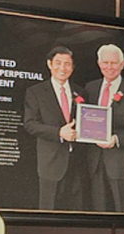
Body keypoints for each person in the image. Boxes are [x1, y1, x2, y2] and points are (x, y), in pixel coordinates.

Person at [24, 46, 86, 211]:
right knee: (48, 209)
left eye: (67, 64)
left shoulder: (80, 92)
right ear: (49, 64)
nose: (62, 68)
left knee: (75, 210)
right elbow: (30, 124)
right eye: (58, 63)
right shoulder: (35, 92)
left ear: (72, 67)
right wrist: (59, 132)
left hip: (78, 162)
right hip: (50, 162)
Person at [85, 44, 124, 212]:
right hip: (94, 161)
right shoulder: (90, 88)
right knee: (98, 209)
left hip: (118, 161)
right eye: (105, 62)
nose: (109, 67)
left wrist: (117, 139)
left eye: (114, 63)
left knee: (121, 209)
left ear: (122, 65)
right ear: (99, 63)